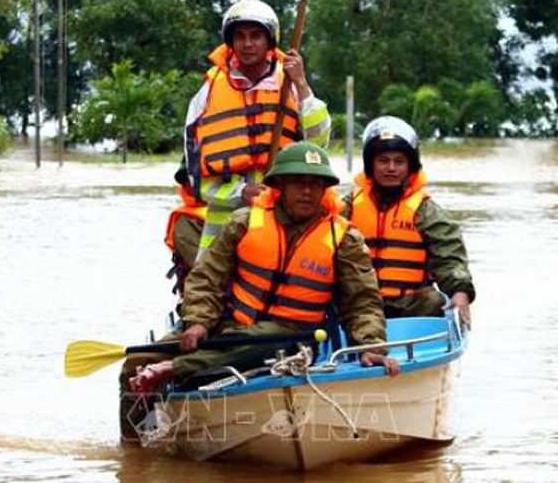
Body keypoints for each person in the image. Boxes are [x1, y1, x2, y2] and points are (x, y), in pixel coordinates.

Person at [129, 143, 398, 395]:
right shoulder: (244, 222)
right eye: (298, 182)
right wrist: (198, 322)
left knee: (269, 337)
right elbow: (207, 278)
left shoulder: (344, 238)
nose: (307, 191)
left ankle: (172, 369)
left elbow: (363, 302)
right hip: (228, 324)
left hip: (290, 336)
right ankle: (134, 440)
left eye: (316, 184)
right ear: (280, 184)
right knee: (137, 360)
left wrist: (369, 345)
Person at [184, 0, 331, 260]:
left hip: (282, 217)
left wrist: (302, 83)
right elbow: (195, 173)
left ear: (269, 41)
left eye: (255, 36)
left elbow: (319, 143)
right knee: (204, 296)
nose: (248, 44)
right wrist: (240, 193)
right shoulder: (208, 91)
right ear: (231, 43)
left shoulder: (292, 84)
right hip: (224, 225)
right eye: (240, 37)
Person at [342, 116, 475, 323]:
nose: (391, 168)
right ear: (371, 165)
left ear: (410, 166)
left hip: (411, 306)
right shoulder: (347, 207)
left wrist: (460, 292)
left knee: (433, 300)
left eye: (399, 161)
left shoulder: (425, 210)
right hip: (359, 304)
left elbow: (449, 256)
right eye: (383, 161)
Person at [164, 165, 206, 296]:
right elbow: (205, 273)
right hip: (204, 300)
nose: (190, 184)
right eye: (187, 180)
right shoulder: (186, 223)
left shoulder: (240, 209)